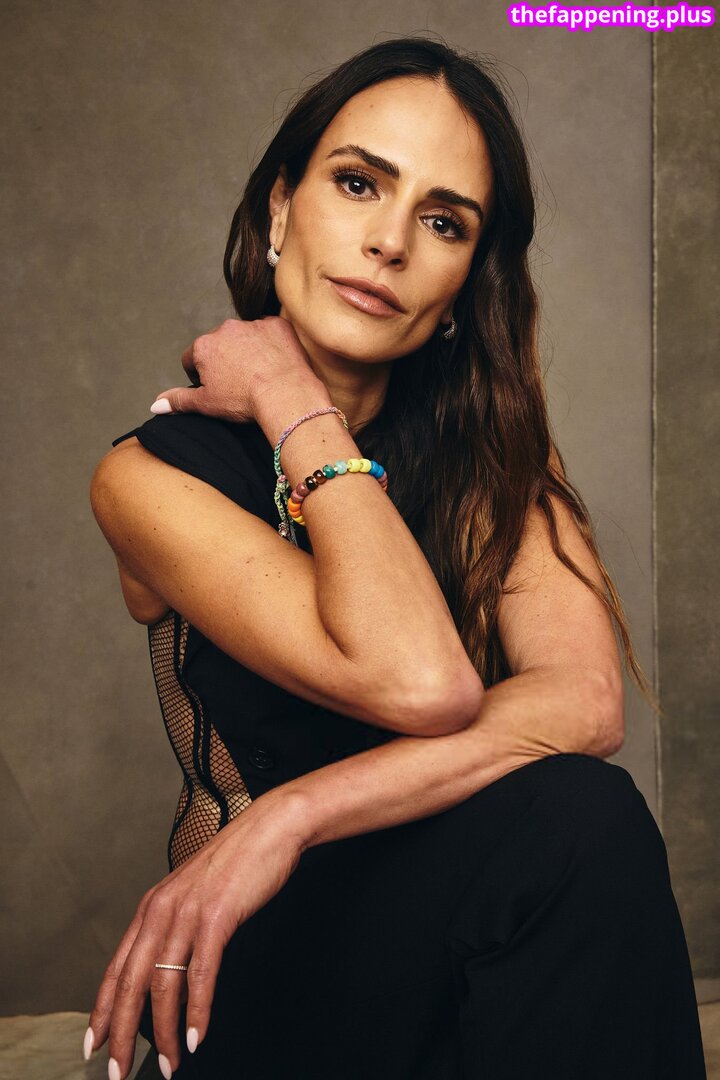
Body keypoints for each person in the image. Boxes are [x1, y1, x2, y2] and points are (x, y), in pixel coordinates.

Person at [86, 37, 706, 1080]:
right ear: (280, 208)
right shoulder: (151, 478)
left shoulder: (493, 453)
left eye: (442, 221)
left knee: (585, 820)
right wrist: (293, 401)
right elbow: (423, 684)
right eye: (359, 183)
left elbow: (586, 702)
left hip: (430, 930)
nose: (388, 242)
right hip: (263, 970)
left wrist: (291, 816)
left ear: (463, 285)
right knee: (572, 819)